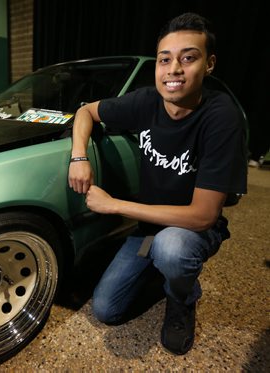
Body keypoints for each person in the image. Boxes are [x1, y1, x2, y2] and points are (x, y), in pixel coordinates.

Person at [68, 12, 247, 355]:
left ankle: (182, 297)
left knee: (173, 249)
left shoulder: (222, 118)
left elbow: (203, 216)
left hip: (191, 230)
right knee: (107, 310)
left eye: (188, 57)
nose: (174, 69)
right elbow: (85, 112)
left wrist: (114, 205)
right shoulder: (147, 101)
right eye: (165, 59)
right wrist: (79, 156)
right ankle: (165, 275)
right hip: (148, 229)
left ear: (209, 64)